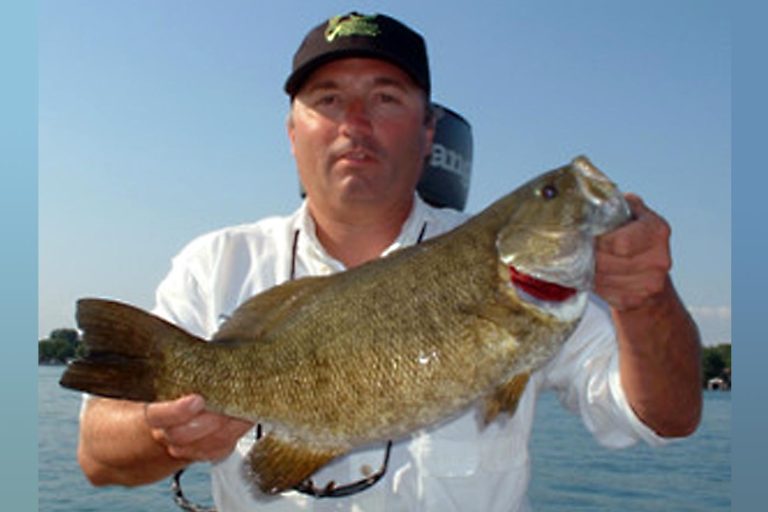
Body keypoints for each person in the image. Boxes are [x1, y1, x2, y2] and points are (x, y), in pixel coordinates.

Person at [75, 12, 702, 512]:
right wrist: (162, 434)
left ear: (429, 132)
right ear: (292, 132)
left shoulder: (540, 289)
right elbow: (97, 456)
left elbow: (665, 421)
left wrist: (646, 300)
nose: (355, 122)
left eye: (385, 97)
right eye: (327, 99)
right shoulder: (217, 264)